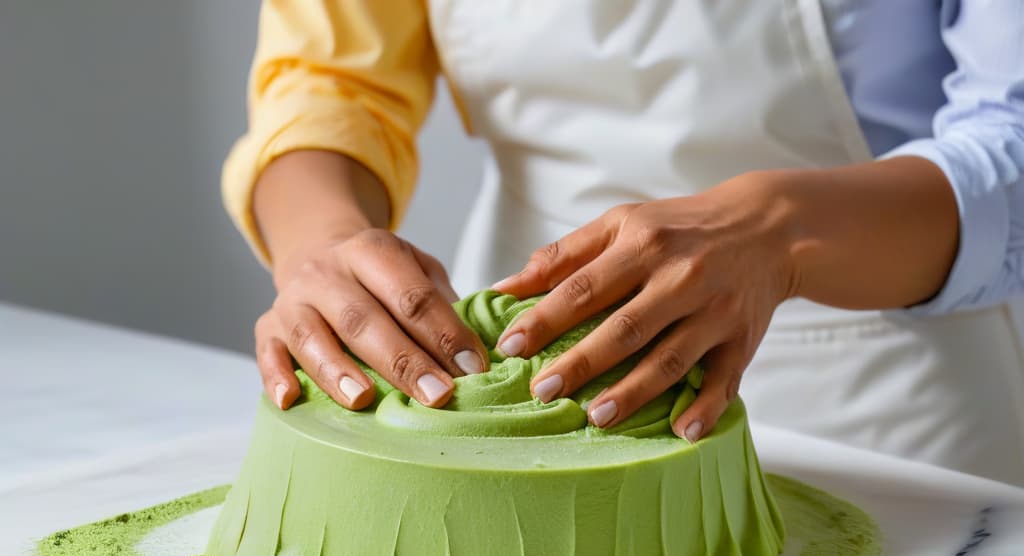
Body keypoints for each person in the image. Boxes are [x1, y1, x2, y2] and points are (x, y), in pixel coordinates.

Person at [223, 1, 1024, 486]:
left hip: (881, 403)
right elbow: (330, 83)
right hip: (507, 388)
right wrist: (321, 240)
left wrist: (780, 227)